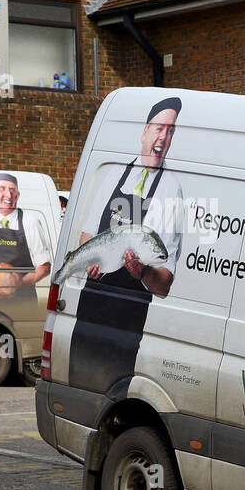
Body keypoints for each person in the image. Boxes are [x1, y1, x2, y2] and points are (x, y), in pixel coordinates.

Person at [69, 96, 186, 395]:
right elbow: (86, 237)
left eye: (170, 131)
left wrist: (143, 270)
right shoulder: (112, 175)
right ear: (145, 132)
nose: (164, 137)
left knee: (111, 397)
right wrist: (93, 264)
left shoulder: (171, 190)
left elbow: (163, 285)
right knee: (77, 386)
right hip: (91, 307)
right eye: (159, 128)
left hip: (127, 318)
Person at [0, 172, 53, 302]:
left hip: (23, 302)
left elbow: (44, 268)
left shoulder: (30, 222)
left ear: (18, 195)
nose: (8, 195)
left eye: (12, 190)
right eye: (2, 189)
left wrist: (16, 285)